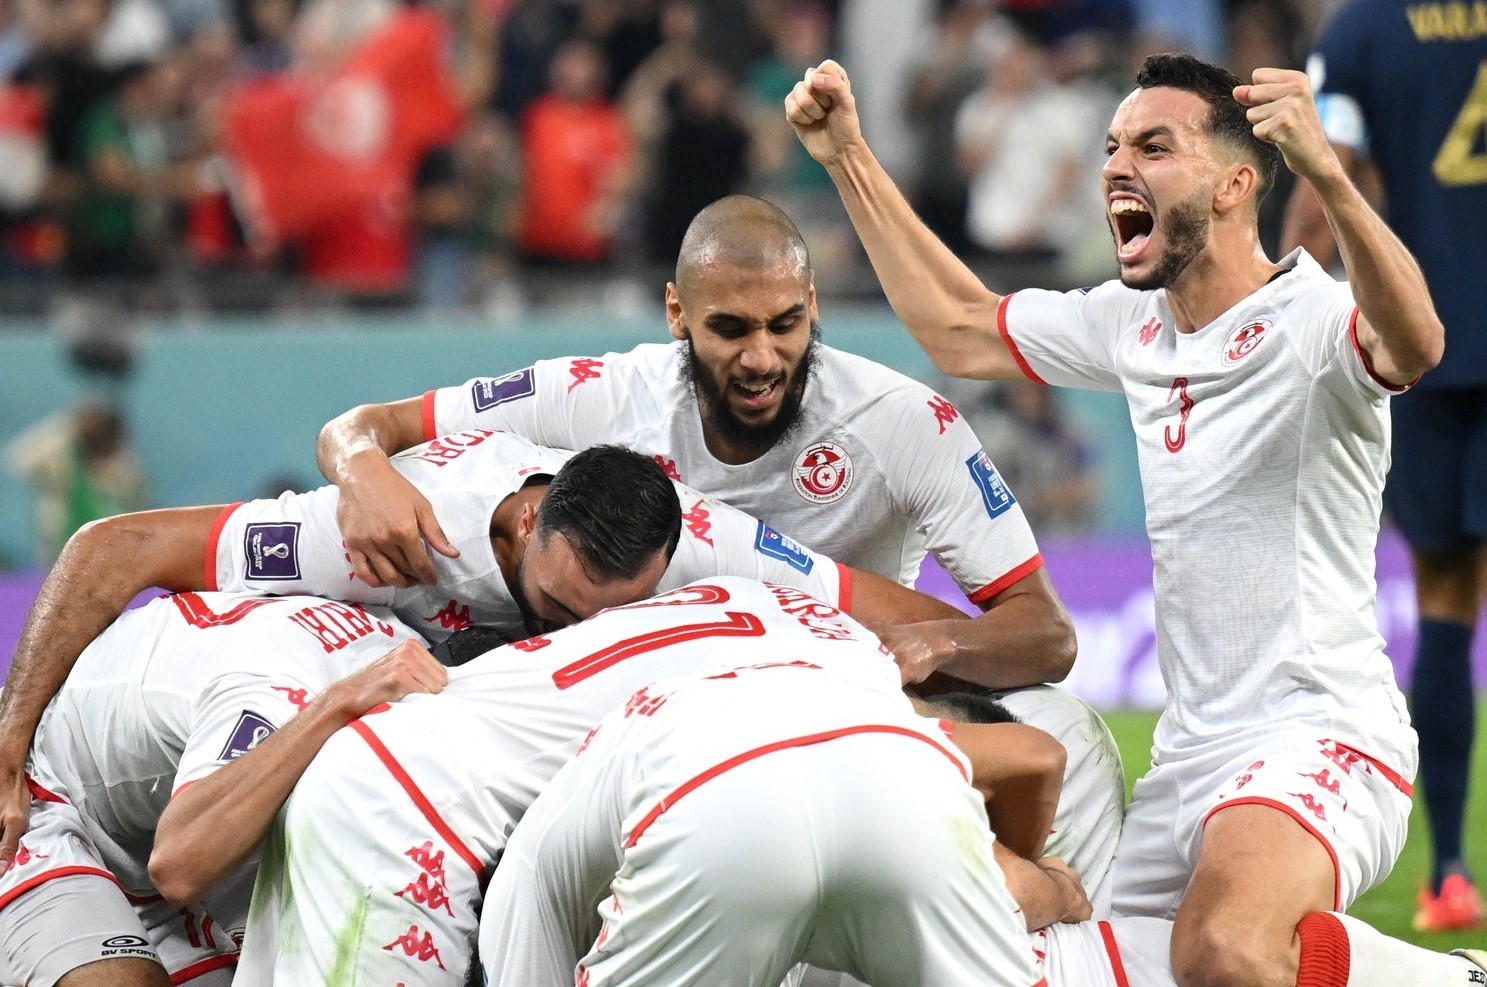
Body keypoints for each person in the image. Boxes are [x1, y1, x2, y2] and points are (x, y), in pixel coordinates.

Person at [785, 51, 1486, 987]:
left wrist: (1325, 171)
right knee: (1056, 965)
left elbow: (1416, 341)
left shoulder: (1312, 322)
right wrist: (847, 156)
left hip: (1318, 730)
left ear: (1234, 184)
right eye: (1113, 146)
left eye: (1153, 147)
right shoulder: (1130, 325)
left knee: (1224, 949)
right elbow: (958, 326)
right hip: (1187, 757)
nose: (1116, 164)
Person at [316, 194, 1076, 692]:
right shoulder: (603, 394)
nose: (761, 358)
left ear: (813, 304)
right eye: (730, 329)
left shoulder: (903, 422)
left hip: (825, 699)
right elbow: (364, 425)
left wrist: (936, 647)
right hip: (634, 701)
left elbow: (1045, 635)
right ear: (676, 313)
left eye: (785, 323)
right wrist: (361, 471)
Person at [234, 575, 1066, 987]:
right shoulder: (871, 694)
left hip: (425, 775)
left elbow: (531, 911)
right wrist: (1055, 887)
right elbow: (1036, 758)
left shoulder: (569, 812)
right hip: (414, 803)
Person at [478, 662, 1084, 987]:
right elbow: (1039, 759)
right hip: (721, 781)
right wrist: (1054, 886)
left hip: (710, 796)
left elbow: (1036, 758)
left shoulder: (528, 886)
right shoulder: (885, 725)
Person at [1280, 0, 1487, 932]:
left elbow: (1330, 171)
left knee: (1444, 595)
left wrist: (1271, 311)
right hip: (1431, 344)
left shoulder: (1361, 30)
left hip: (1423, 337)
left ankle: (1448, 874)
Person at [0, 589, 443, 987]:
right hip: (36, 792)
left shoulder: (416, 665)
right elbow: (179, 866)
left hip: (161, 810)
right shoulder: (281, 700)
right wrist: (335, 703)